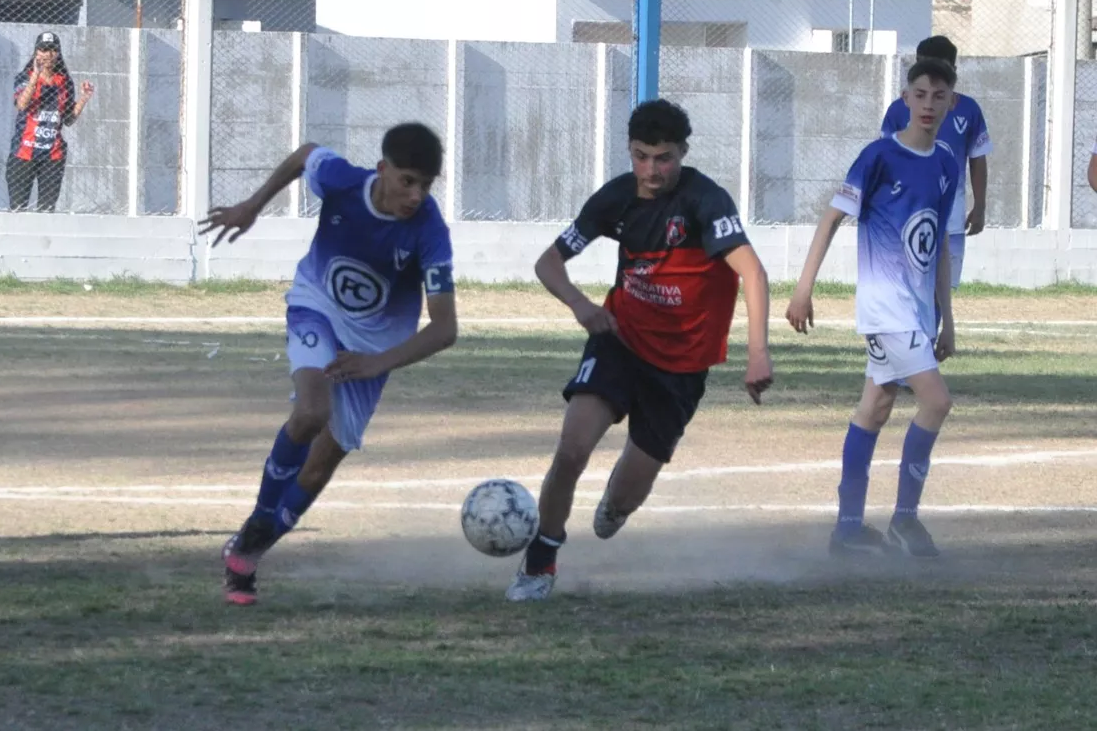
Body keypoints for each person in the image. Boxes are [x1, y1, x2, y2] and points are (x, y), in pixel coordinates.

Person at [505, 99, 774, 603]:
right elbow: (548, 263)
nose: (652, 169)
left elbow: (753, 273)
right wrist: (581, 305)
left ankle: (617, 502)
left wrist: (757, 352)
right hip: (620, 341)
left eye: (664, 157)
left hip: (683, 366)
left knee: (620, 506)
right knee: (570, 451)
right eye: (641, 156)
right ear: (629, 152)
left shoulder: (705, 201)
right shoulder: (616, 199)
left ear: (683, 153)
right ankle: (541, 560)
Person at [199, 123, 459, 607]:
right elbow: (305, 154)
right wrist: (253, 206)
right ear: (382, 170)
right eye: (407, 181)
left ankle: (246, 556)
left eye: (426, 185)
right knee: (311, 412)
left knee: (318, 470)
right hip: (316, 305)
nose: (416, 195)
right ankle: (259, 518)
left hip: (371, 350)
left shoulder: (429, 231)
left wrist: (375, 362)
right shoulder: (342, 181)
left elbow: (445, 329)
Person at [786, 58, 961, 559]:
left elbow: (940, 244)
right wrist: (803, 290)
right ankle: (905, 522)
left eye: (939, 95)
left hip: (916, 314)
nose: (929, 104)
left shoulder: (947, 164)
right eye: (921, 94)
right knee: (936, 401)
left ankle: (847, 529)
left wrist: (946, 318)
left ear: (952, 101)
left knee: (875, 408)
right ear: (905, 98)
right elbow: (831, 219)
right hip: (886, 310)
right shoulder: (879, 156)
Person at [880, 36, 991, 302]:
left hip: (950, 220)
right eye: (923, 68)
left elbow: (978, 159)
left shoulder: (969, 109)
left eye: (938, 69)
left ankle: (932, 339)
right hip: (906, 216)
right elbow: (885, 161)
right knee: (905, 291)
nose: (930, 76)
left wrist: (980, 206)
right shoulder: (899, 109)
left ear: (952, 71)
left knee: (942, 293)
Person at [6, 31, 94, 212]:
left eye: (53, 50)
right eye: (44, 49)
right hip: (24, 152)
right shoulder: (25, 77)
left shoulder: (64, 82)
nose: (48, 54)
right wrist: (35, 76)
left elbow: (68, 119)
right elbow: (22, 105)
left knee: (47, 210)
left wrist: (84, 99)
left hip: (52, 155)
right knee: (17, 210)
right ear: (36, 52)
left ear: (58, 53)